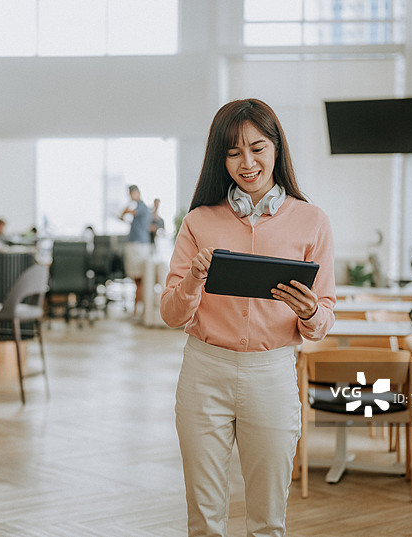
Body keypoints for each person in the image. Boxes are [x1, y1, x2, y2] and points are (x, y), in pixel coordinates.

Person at [160, 98, 336, 537]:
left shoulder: (312, 221)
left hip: (272, 373)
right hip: (204, 372)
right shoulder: (199, 220)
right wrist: (193, 281)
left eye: (257, 148)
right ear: (221, 158)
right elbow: (169, 313)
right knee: (203, 519)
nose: (247, 162)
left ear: (277, 148)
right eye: (234, 152)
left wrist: (311, 311)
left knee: (268, 520)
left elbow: (324, 315)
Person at [120, 184, 152, 316]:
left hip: (139, 246)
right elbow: (123, 216)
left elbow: (124, 213)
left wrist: (129, 204)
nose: (131, 196)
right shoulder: (139, 207)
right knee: (136, 280)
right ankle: (137, 309)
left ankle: (138, 309)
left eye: (132, 194)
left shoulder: (141, 206)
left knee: (139, 280)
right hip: (137, 245)